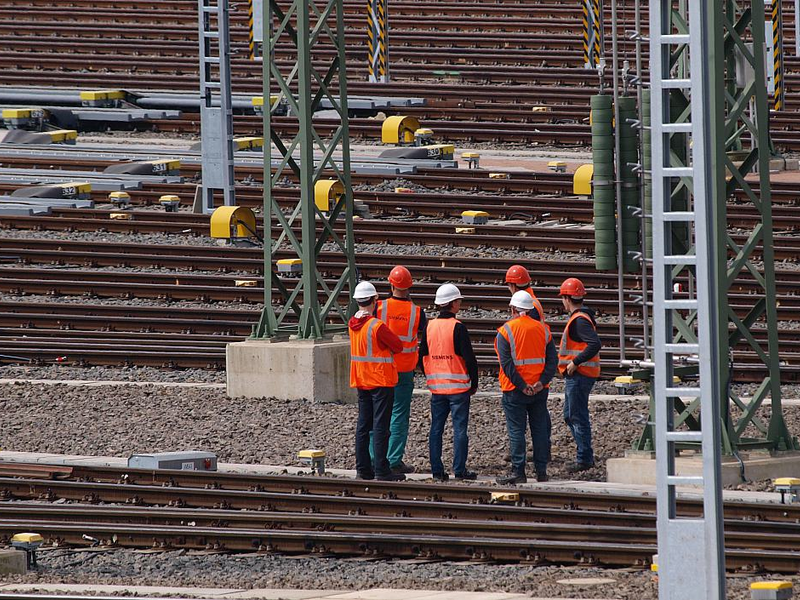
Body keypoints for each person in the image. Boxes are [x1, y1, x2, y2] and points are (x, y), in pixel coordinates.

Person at [494, 291, 557, 484]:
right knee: (538, 430)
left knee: (516, 431)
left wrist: (522, 386)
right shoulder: (543, 330)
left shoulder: (506, 331)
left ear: (513, 309)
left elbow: (507, 364)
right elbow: (552, 361)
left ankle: (518, 471)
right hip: (539, 390)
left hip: (514, 390)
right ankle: (541, 472)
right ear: (530, 309)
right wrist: (539, 383)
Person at [369, 265, 427, 475]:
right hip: (404, 371)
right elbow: (424, 339)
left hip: (382, 369)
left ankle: (374, 457)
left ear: (390, 284)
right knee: (399, 415)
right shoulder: (417, 312)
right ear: (409, 286)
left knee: (377, 414)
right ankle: (393, 460)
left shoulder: (379, 307)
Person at [419, 283, 479, 481]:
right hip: (458, 388)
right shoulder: (458, 327)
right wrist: (474, 383)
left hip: (437, 388)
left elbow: (422, 357)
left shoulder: (429, 326)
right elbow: (469, 359)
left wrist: (431, 377)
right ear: (453, 304)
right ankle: (459, 471)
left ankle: (437, 471)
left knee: (436, 429)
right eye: (459, 300)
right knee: (459, 429)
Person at [349, 280, 405, 482]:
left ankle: (363, 470)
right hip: (381, 381)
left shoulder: (352, 324)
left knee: (363, 426)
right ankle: (382, 470)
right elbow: (397, 346)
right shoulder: (377, 325)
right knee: (381, 426)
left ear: (357, 301)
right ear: (375, 300)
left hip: (361, 379)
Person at [558, 277, 602, 472]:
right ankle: (585, 453)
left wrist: (575, 362)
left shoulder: (579, 321)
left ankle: (584, 458)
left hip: (580, 376)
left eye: (563, 298)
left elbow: (594, 344)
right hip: (581, 375)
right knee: (570, 415)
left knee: (577, 416)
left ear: (567, 298)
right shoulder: (582, 318)